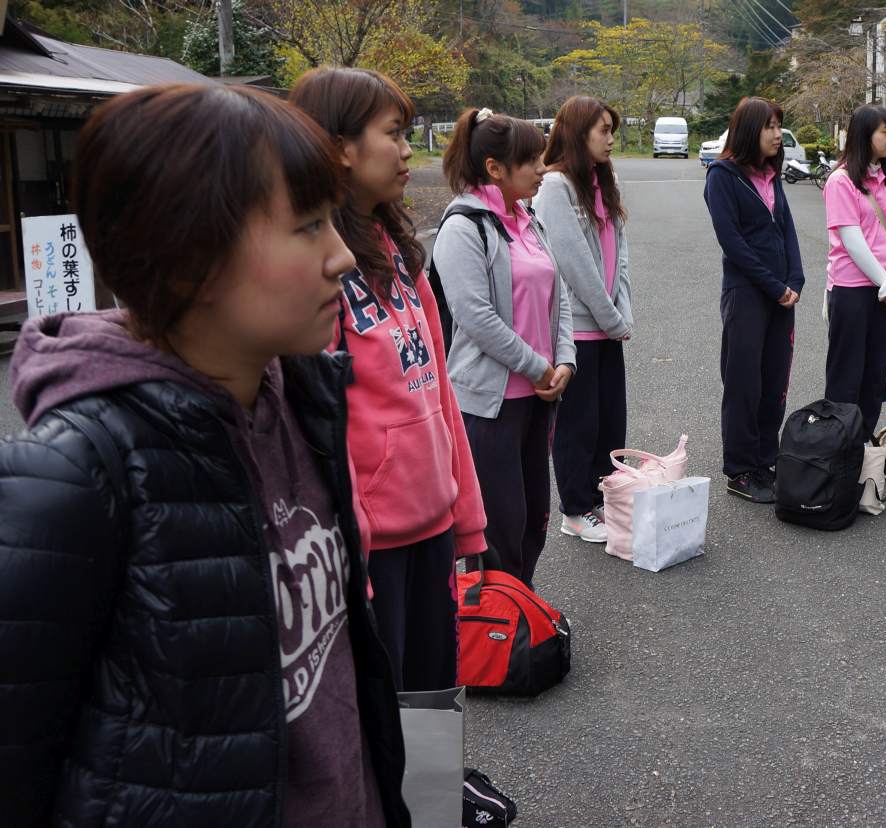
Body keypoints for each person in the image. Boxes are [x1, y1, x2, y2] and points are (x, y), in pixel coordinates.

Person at [0, 84, 408, 825]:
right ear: (188, 260)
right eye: (308, 226)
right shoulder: (72, 478)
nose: (343, 257)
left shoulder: (302, 395)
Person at [290, 67, 486, 693]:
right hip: (373, 549)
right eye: (394, 133)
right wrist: (351, 556)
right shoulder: (318, 269)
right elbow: (316, 428)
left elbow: (439, 390)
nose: (407, 150)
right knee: (384, 712)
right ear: (341, 148)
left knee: (434, 703)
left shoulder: (398, 249)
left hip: (434, 526)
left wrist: (467, 515)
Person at [434, 109, 575, 587]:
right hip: (489, 405)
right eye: (531, 161)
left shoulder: (528, 219)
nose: (542, 169)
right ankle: (498, 617)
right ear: (494, 168)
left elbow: (559, 295)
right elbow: (475, 317)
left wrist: (565, 360)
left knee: (535, 516)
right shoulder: (463, 227)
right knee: (499, 525)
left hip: (539, 396)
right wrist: (538, 367)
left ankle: (521, 605)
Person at [534, 96, 632, 542]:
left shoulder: (604, 180)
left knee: (610, 422)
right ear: (577, 133)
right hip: (578, 329)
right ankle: (574, 510)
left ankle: (600, 500)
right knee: (578, 426)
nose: (611, 140)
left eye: (612, 130)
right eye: (603, 131)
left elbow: (620, 254)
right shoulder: (556, 186)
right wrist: (612, 319)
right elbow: (574, 263)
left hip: (608, 324)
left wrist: (622, 311)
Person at [703, 96, 805, 503]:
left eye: (779, 126)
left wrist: (795, 278)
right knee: (744, 383)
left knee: (774, 381)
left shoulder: (770, 174)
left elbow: (787, 230)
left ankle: (766, 459)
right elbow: (733, 243)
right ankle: (741, 469)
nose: (778, 135)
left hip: (781, 294)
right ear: (749, 130)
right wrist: (774, 286)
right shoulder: (722, 177)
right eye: (770, 127)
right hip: (746, 293)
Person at [823, 104, 886, 437]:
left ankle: (863, 443)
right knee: (846, 375)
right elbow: (852, 241)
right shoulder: (840, 181)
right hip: (851, 290)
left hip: (885, 292)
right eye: (885, 132)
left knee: (875, 374)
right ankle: (837, 446)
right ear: (864, 135)